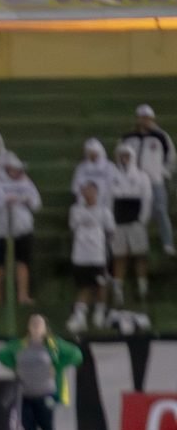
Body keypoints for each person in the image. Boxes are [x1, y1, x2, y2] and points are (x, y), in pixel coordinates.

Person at [0, 314, 84, 430]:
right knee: (28, 428)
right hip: (25, 394)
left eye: (39, 324)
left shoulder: (53, 345)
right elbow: (1, 354)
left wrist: (58, 365)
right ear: (29, 327)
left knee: (47, 428)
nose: (36, 327)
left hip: (45, 393)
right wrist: (15, 366)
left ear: (45, 328)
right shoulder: (21, 345)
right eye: (33, 324)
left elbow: (76, 354)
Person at [0, 154, 41, 305]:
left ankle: (23, 295)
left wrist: (27, 201)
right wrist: (3, 201)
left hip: (22, 229)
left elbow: (37, 203)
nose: (19, 172)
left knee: (22, 262)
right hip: (1, 229)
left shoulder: (26, 182)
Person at [119, 104, 176, 256]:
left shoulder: (161, 137)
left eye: (147, 118)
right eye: (142, 118)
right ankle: (137, 245)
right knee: (137, 213)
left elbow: (171, 158)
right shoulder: (128, 138)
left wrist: (162, 173)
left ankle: (168, 243)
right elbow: (120, 156)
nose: (144, 121)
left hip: (155, 180)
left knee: (160, 210)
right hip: (135, 181)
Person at [66, 182, 115, 333]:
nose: (87, 193)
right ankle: (80, 316)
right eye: (85, 190)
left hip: (97, 256)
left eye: (90, 190)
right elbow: (73, 227)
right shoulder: (75, 210)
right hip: (80, 256)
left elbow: (111, 231)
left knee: (100, 284)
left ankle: (99, 313)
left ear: (96, 192)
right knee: (84, 286)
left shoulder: (104, 211)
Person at [109, 143, 153, 307]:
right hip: (118, 220)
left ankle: (143, 287)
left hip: (136, 220)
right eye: (122, 155)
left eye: (127, 156)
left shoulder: (142, 176)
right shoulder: (112, 176)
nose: (124, 159)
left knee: (140, 254)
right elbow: (108, 200)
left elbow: (147, 199)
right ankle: (118, 290)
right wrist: (110, 221)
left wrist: (142, 219)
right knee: (119, 256)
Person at [70, 138, 114, 209]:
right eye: (90, 153)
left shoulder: (109, 166)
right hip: (85, 198)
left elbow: (111, 184)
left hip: (104, 197)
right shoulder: (81, 167)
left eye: (94, 153)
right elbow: (76, 186)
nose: (92, 155)